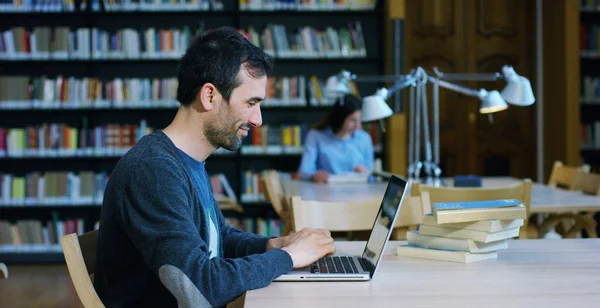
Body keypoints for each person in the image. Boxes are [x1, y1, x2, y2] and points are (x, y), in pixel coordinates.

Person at [94, 26, 336, 308]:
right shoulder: (153, 170)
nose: (258, 120)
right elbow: (201, 288)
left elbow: (218, 238)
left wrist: (274, 245)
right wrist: (290, 257)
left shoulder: (185, 161)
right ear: (209, 96)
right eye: (251, 103)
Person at [297, 94, 375, 182]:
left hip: (357, 192)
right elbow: (304, 172)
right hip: (325, 191)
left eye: (360, 120)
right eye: (352, 120)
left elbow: (372, 175)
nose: (358, 126)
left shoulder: (365, 138)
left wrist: (366, 173)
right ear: (340, 118)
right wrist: (315, 175)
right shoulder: (315, 136)